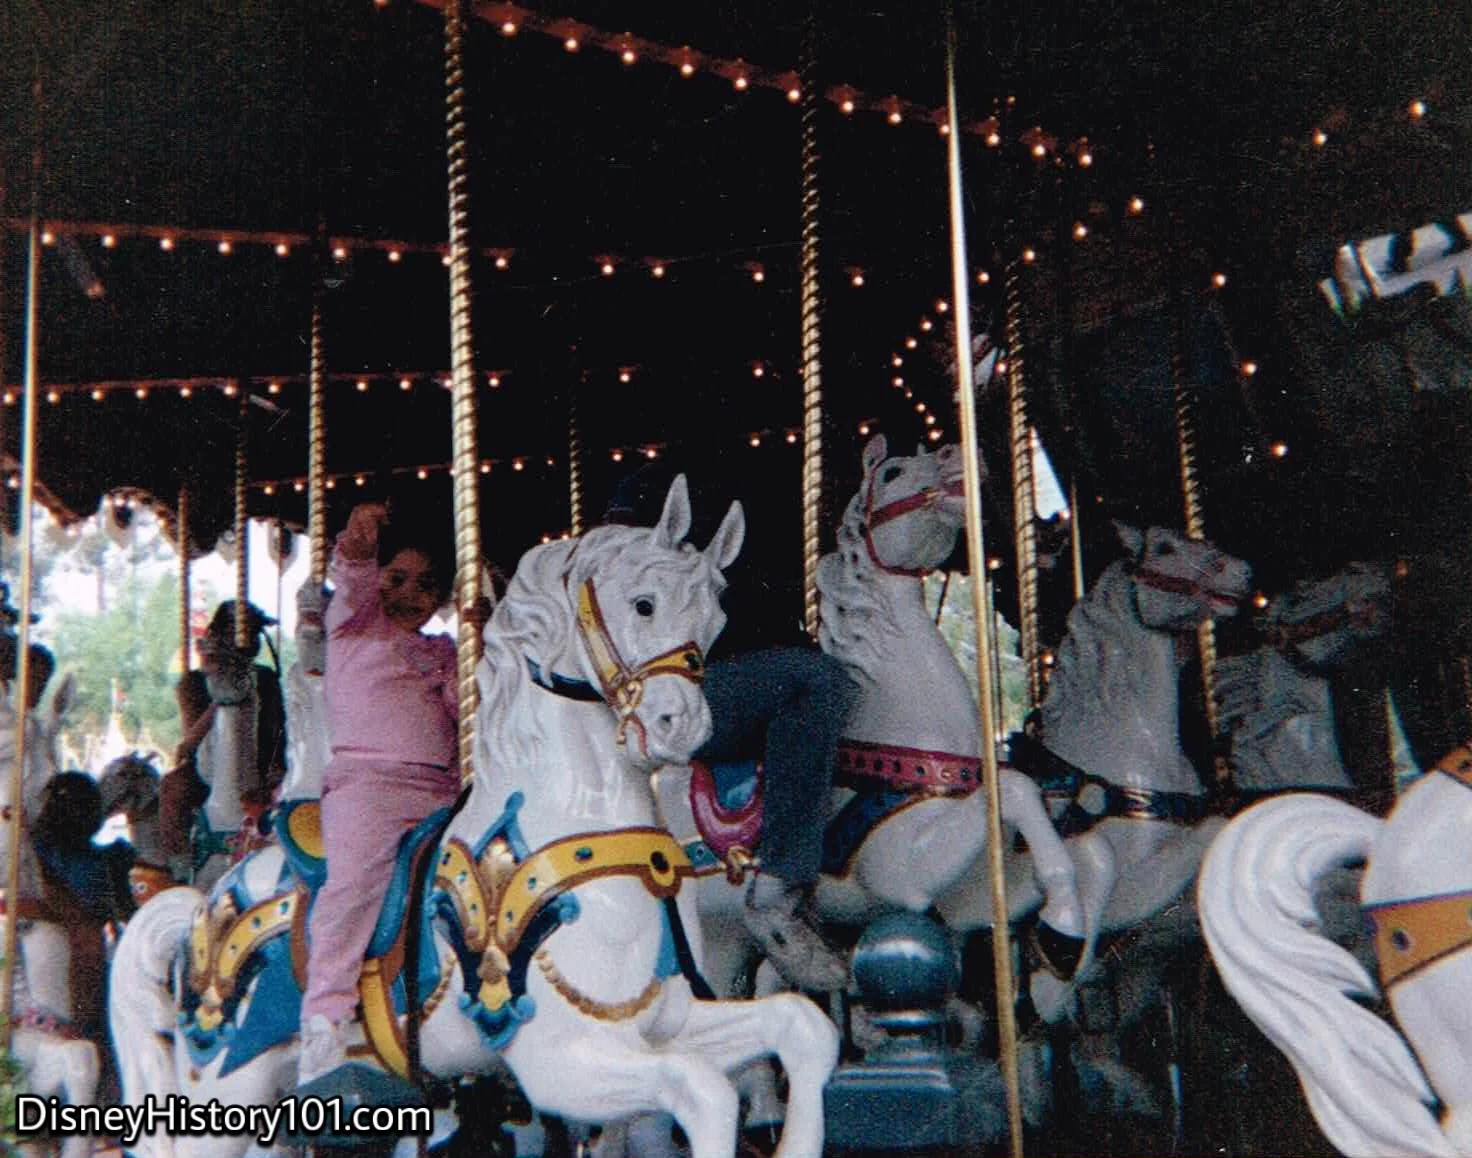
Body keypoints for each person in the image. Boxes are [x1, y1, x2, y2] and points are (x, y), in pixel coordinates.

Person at [604, 463, 857, 992]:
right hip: (676, 689)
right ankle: (783, 879)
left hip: (730, 666)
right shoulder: (651, 489)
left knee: (839, 687)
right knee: (816, 682)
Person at [297, 501, 462, 1087]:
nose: (410, 594)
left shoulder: (445, 655)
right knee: (355, 884)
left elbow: (465, 716)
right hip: (369, 787)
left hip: (443, 792)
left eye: (427, 586)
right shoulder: (355, 626)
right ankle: (325, 1013)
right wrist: (361, 546)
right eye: (397, 579)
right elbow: (356, 582)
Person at [160, 600, 285, 873]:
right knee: (173, 787)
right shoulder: (193, 683)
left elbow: (276, 727)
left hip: (259, 759)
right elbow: (192, 738)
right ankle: (178, 866)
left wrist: (276, 764)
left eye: (249, 633)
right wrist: (221, 699)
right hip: (210, 762)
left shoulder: (265, 678)